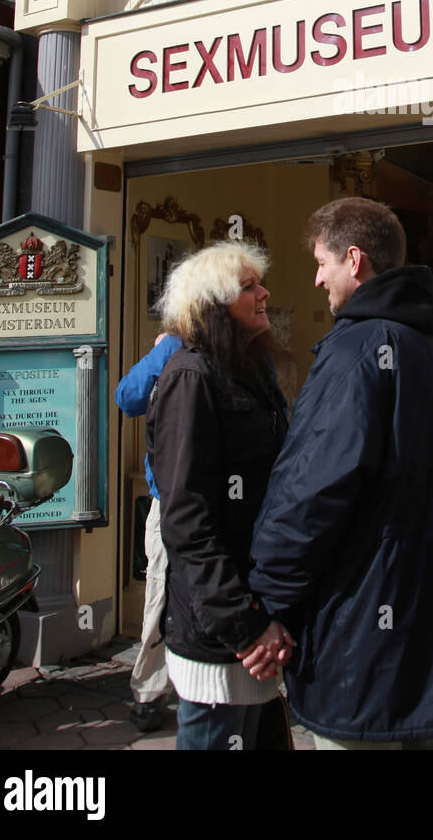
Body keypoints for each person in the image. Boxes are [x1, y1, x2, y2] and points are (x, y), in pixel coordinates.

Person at [246, 197, 433, 749]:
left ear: (353, 261)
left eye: (321, 263)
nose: (315, 279)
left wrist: (268, 601)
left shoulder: (358, 349)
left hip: (361, 647)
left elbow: (310, 490)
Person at [145, 240, 291, 750]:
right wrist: (245, 626)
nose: (264, 293)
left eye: (259, 283)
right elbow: (187, 520)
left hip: (254, 629)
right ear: (213, 305)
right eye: (248, 287)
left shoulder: (246, 371)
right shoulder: (191, 378)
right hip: (221, 639)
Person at [115, 330, 181, 732]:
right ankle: (158, 692)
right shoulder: (242, 342)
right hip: (217, 502)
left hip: (174, 501)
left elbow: (128, 397)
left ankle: (151, 695)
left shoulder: (174, 346)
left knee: (161, 593)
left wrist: (162, 351)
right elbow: (129, 397)